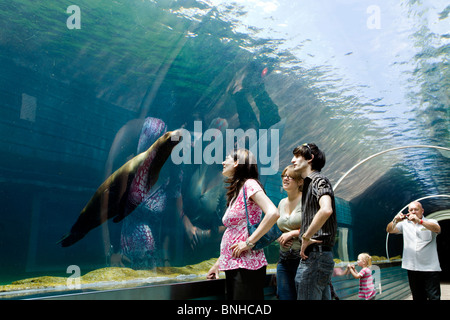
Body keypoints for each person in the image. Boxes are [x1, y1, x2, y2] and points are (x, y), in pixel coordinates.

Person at [206, 149, 280, 300]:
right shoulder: (237, 193)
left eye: (226, 159)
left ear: (236, 163)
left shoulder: (250, 184)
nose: (223, 162)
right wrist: (219, 263)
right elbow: (234, 233)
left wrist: (249, 243)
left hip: (247, 264)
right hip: (234, 263)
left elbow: (273, 212)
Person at [291, 143, 337, 300]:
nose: (292, 160)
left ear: (310, 158)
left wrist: (306, 237)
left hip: (316, 257)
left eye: (297, 156)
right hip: (318, 256)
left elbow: (326, 209)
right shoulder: (309, 183)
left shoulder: (318, 180)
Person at [386, 201, 441, 300]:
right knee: (418, 297)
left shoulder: (431, 221)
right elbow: (389, 230)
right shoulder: (404, 224)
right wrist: (395, 220)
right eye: (411, 210)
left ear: (422, 211)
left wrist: (420, 221)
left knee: (434, 297)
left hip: (430, 268)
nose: (413, 212)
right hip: (412, 268)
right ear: (408, 212)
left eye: (416, 209)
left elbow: (437, 228)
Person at [276, 165, 303, 300]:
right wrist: (280, 237)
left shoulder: (307, 201)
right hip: (284, 259)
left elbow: (316, 228)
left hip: (304, 260)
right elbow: (276, 229)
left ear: (300, 181)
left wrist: (292, 233)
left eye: (290, 176)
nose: (285, 178)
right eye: (284, 176)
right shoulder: (281, 202)